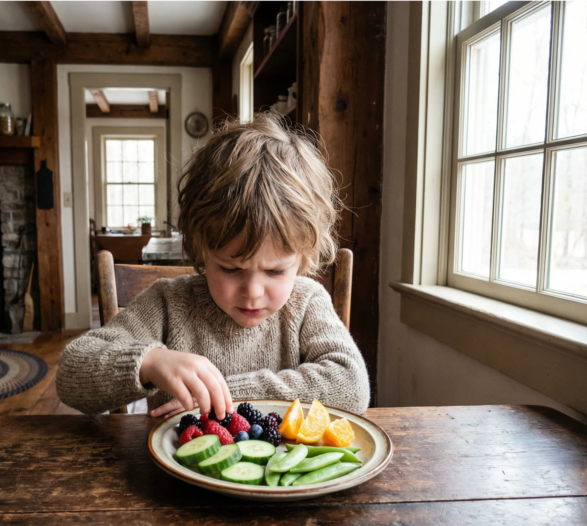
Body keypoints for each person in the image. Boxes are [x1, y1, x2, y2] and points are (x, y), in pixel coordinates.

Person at [56, 112, 370, 419]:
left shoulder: (307, 302)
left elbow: (352, 386)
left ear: (303, 258)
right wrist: (149, 362)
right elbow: (71, 373)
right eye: (231, 269)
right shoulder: (170, 304)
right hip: (177, 470)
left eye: (275, 271)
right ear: (201, 249)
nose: (252, 292)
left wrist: (231, 395)